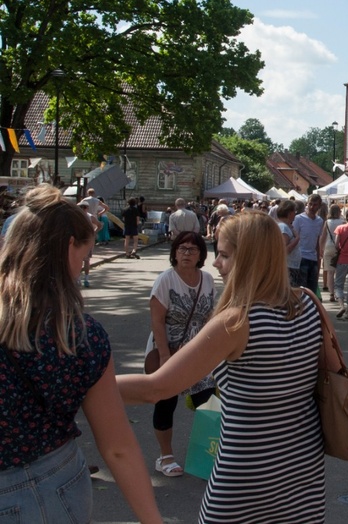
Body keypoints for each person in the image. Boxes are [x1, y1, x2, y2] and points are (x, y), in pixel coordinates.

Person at [118, 211, 326, 523]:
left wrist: (83, 383)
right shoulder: (309, 303)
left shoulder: (236, 321)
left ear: (250, 260)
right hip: (304, 466)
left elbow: (157, 388)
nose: (216, 263)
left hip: (248, 472)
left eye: (225, 255)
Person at [0, 185, 161, 523]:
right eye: (84, 255)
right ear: (69, 247)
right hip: (46, 486)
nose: (82, 266)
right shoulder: (78, 335)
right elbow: (117, 447)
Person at [148, 230, 217, 478]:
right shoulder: (166, 280)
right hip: (170, 346)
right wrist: (165, 356)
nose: (186, 253)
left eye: (192, 249)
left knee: (208, 403)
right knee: (166, 402)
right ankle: (165, 457)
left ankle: (208, 456)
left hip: (198, 350)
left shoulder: (207, 279)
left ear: (201, 254)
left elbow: (210, 317)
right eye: (182, 249)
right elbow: (157, 321)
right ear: (174, 253)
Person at [294, 195, 325, 296]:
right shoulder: (298, 219)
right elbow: (294, 238)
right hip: (301, 258)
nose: (312, 207)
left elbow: (317, 241)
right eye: (310, 204)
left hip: (313, 259)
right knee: (302, 290)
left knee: (312, 290)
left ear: (319, 206)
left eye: (315, 205)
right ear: (307, 204)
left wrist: (318, 260)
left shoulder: (319, 221)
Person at [77, 200, 103, 287]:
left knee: (79, 259)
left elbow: (99, 225)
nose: (82, 209)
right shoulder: (90, 216)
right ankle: (86, 279)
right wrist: (94, 232)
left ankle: (79, 279)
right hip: (87, 239)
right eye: (82, 207)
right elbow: (99, 225)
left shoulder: (77, 217)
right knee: (86, 260)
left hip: (80, 239)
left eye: (83, 207)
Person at [277, 200, 302, 286]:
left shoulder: (287, 226)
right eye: (294, 211)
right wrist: (297, 239)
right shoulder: (283, 227)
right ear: (289, 213)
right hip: (289, 267)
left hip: (292, 266)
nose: (295, 214)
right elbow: (285, 250)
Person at [322, 204, 344, 302]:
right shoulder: (342, 222)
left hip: (328, 247)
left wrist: (320, 249)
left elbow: (323, 237)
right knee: (339, 272)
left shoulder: (327, 222)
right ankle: (339, 292)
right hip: (339, 247)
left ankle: (331, 294)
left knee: (330, 272)